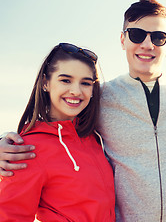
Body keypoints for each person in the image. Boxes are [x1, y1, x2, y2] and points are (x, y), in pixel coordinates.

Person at [0, 0, 166, 222]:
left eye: (158, 37)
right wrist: (5, 142)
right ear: (122, 39)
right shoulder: (102, 97)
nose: (147, 45)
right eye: (137, 34)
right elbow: (54, 133)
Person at [0, 43, 115, 221]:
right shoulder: (28, 149)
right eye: (65, 80)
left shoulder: (95, 138)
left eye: (85, 83)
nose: (76, 91)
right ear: (46, 83)